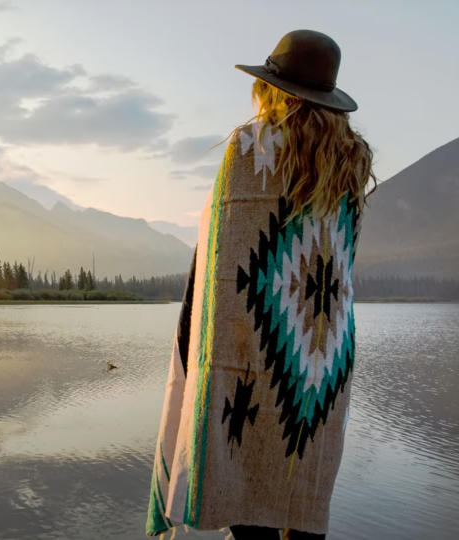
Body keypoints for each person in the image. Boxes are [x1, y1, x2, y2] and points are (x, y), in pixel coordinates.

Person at [145, 30, 376, 539]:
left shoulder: (250, 149)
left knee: (247, 495)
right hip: (321, 365)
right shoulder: (352, 165)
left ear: (271, 89)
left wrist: (198, 352)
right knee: (302, 494)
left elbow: (222, 267)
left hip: (250, 356)